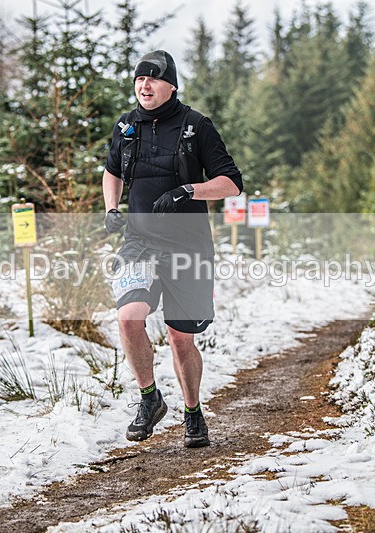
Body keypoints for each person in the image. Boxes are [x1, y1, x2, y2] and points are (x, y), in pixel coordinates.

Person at [101, 50, 243, 448]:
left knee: (181, 337)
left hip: (188, 247)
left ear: (172, 86)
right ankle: (149, 398)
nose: (144, 85)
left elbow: (232, 183)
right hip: (139, 243)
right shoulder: (126, 125)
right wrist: (112, 208)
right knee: (128, 317)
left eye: (153, 79)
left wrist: (188, 190)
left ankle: (193, 411)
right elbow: (111, 171)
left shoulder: (197, 126)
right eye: (139, 79)